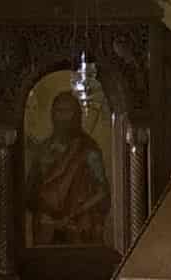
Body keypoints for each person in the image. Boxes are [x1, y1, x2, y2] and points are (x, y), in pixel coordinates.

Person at [25, 89, 110, 246]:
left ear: (77, 115)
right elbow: (31, 194)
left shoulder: (88, 149)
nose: (63, 117)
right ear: (52, 115)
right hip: (47, 231)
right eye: (59, 111)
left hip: (78, 229)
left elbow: (102, 193)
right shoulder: (43, 150)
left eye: (67, 111)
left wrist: (76, 214)